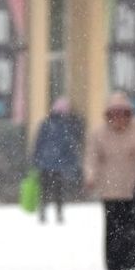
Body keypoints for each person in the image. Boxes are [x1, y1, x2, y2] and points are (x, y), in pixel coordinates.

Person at [83, 92, 135, 270]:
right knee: (113, 229)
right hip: (109, 189)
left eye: (123, 113)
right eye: (114, 114)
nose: (119, 118)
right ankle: (114, 266)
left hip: (133, 185)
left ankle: (132, 263)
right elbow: (92, 158)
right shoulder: (98, 134)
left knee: (131, 228)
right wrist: (90, 176)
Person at [31, 96, 83, 224]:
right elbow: (70, 147)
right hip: (59, 165)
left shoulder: (46, 124)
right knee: (58, 190)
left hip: (45, 163)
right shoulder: (66, 126)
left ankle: (43, 212)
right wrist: (73, 162)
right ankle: (58, 213)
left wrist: (36, 159)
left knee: (45, 189)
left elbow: (38, 143)